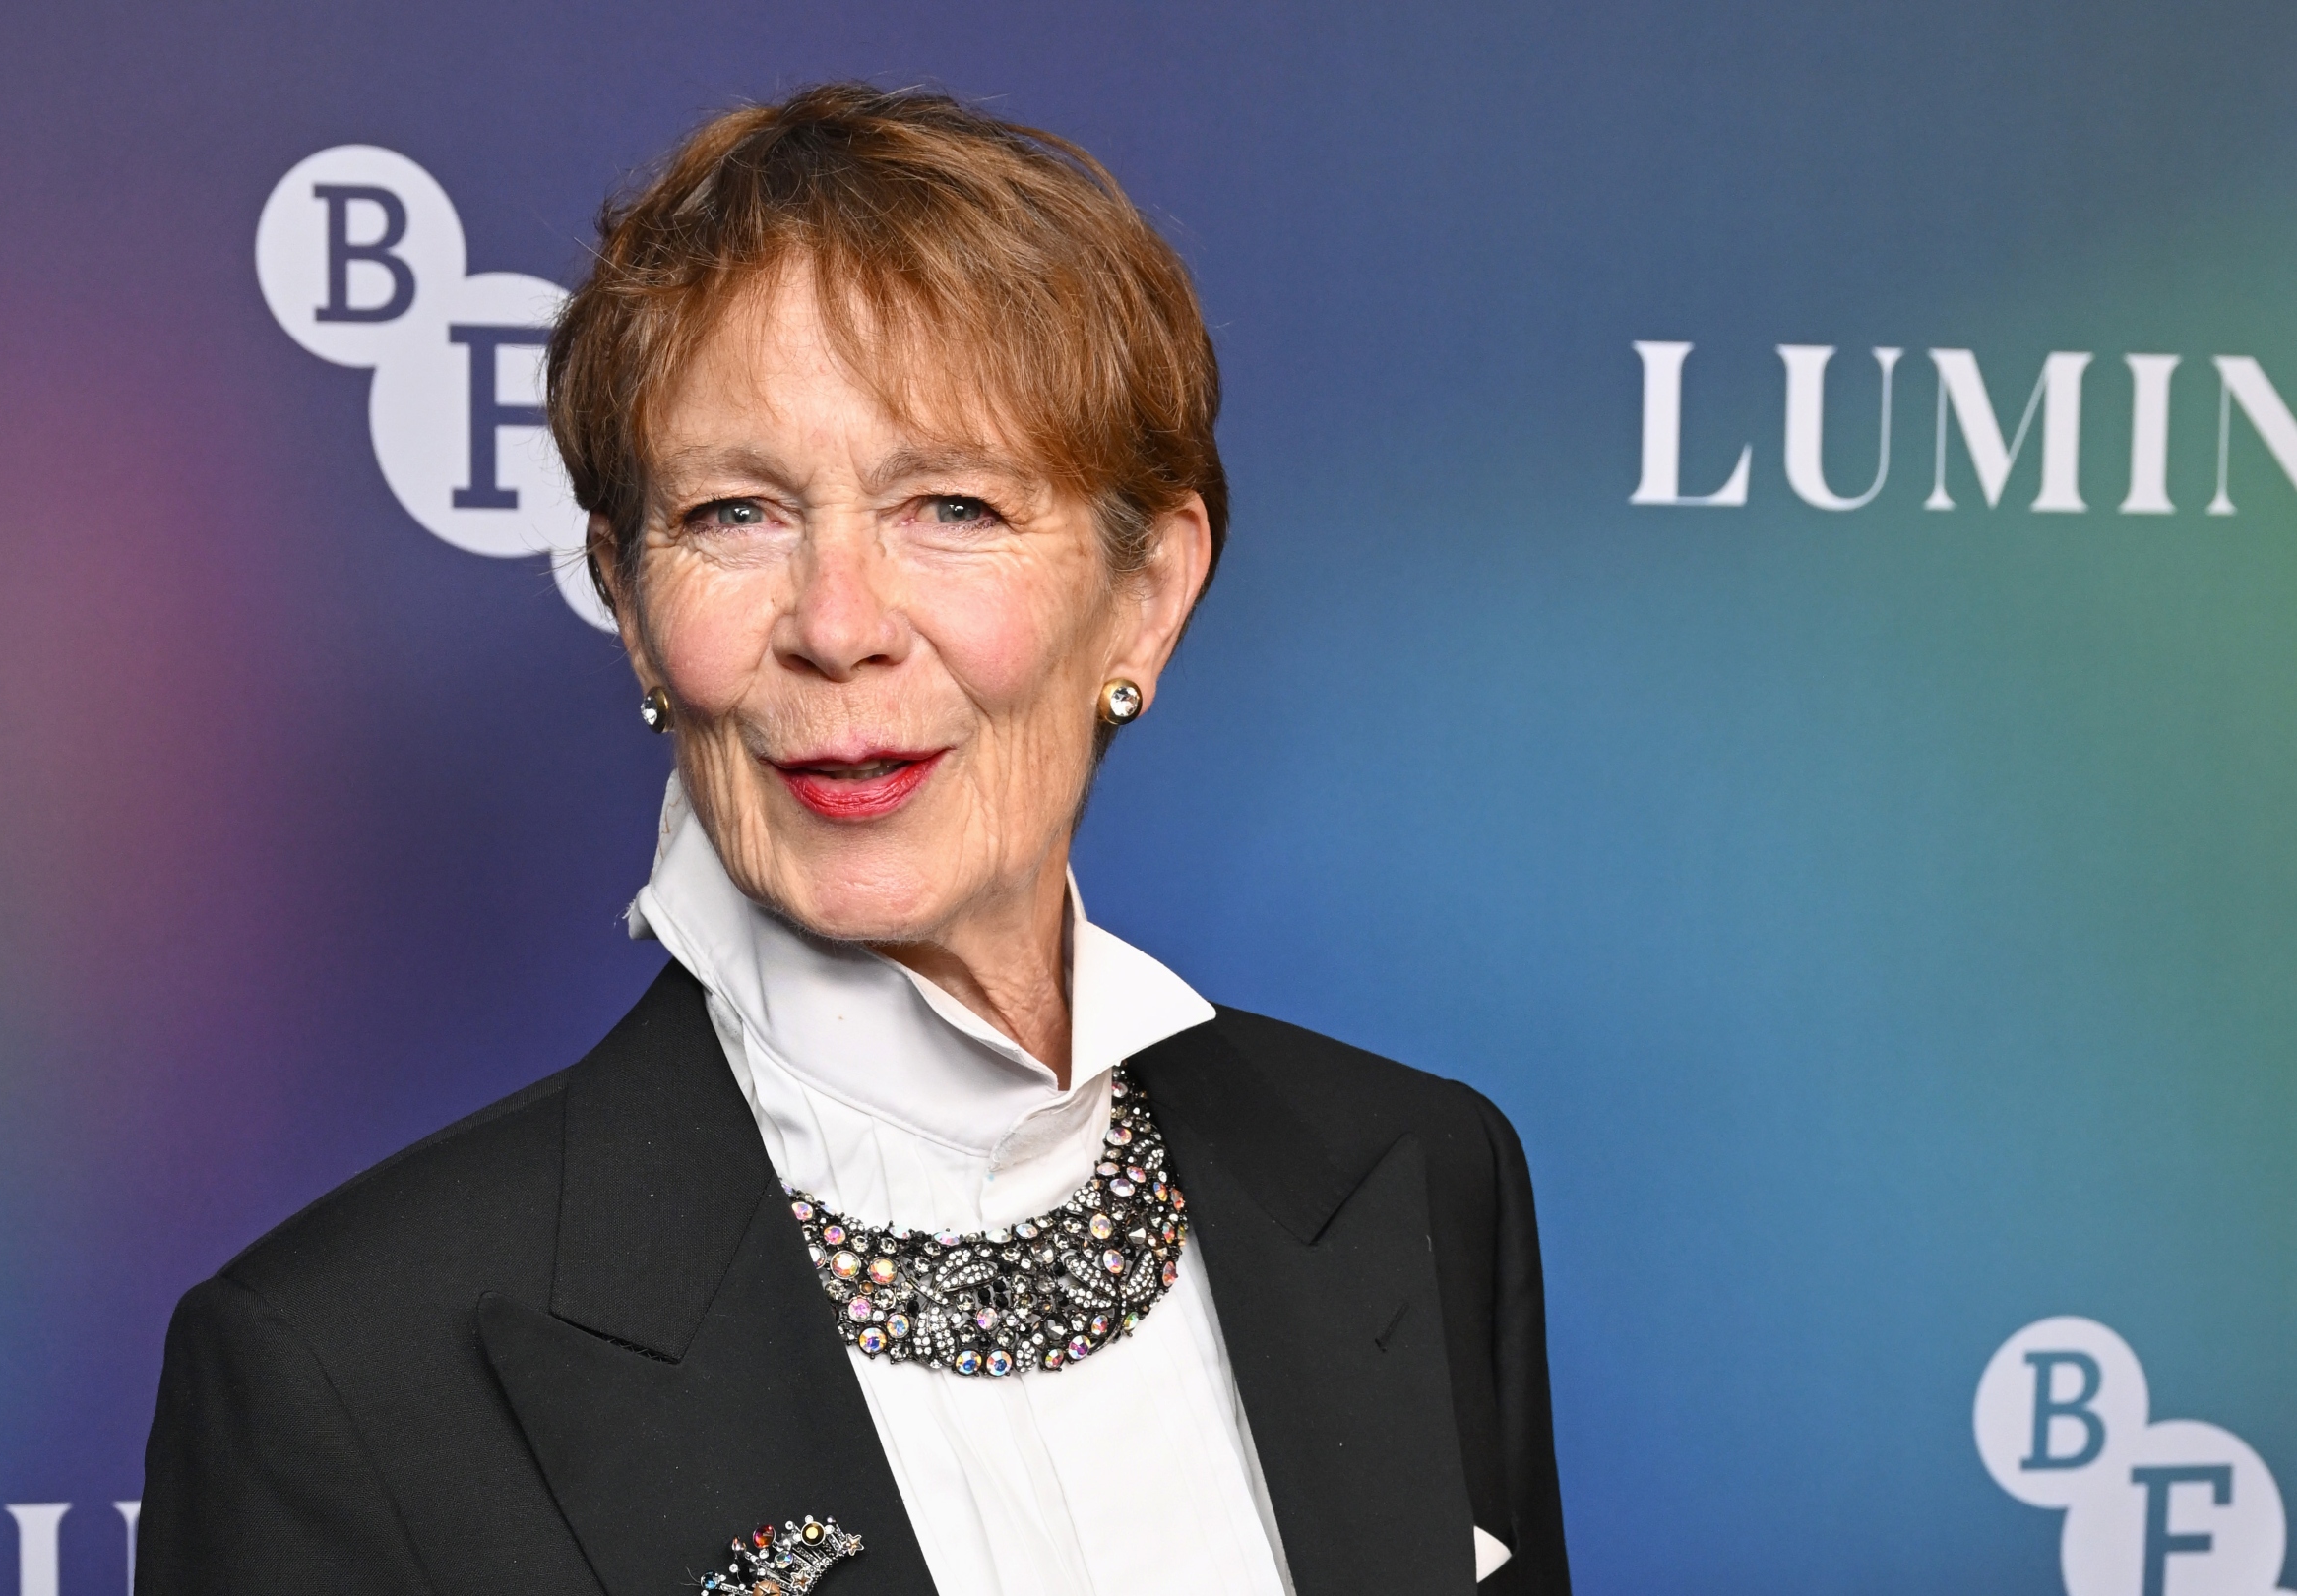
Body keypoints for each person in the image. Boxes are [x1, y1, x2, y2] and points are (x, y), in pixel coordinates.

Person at [137, 83, 1567, 1596]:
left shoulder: (1415, 1179)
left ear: (1147, 593)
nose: (837, 627)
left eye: (950, 505)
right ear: (631, 605)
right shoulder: (345, 1371)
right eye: (737, 515)